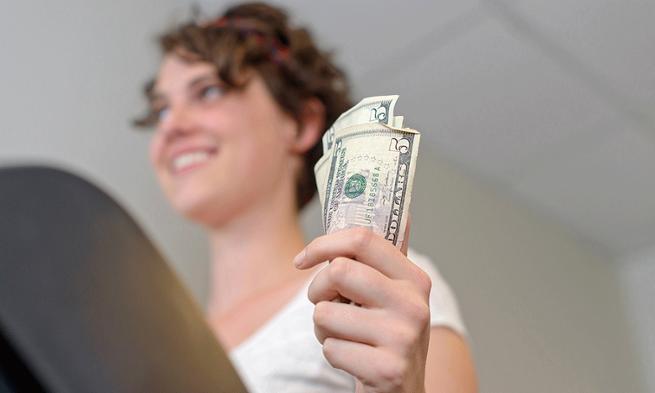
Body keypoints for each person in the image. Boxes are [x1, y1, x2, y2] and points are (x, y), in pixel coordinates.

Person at [135, 2, 477, 392]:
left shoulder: (380, 286)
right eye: (161, 111)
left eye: (208, 92)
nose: (171, 127)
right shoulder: (154, 349)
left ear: (300, 123)